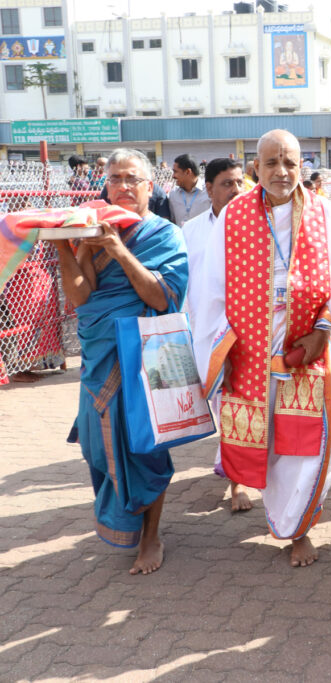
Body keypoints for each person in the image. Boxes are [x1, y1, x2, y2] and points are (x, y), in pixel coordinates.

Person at [190, 130, 331, 568]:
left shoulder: (324, 212)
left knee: (309, 443)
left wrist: (323, 329)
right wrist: (221, 347)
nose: (281, 172)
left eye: (290, 163)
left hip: (306, 348)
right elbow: (212, 290)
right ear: (255, 167)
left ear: (302, 166)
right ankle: (279, 511)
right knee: (269, 442)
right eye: (272, 163)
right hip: (250, 351)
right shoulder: (235, 214)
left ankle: (297, 529)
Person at [53, 148, 187, 574]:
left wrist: (118, 248)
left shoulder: (164, 235)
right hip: (99, 355)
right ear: (104, 185)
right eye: (114, 179)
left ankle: (152, 536)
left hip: (145, 357)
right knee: (97, 446)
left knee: (144, 447)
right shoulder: (93, 230)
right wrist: (63, 245)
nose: (123, 186)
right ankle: (127, 523)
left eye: (132, 179)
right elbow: (81, 298)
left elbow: (161, 297)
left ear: (150, 186)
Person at [180, 158, 251, 511]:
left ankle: (240, 481)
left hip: (251, 337)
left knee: (240, 407)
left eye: (240, 182)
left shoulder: (257, 225)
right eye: (227, 183)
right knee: (225, 408)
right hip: (208, 336)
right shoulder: (190, 231)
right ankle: (237, 476)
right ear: (208, 189)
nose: (236, 190)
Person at [168, 154, 211, 227]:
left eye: (175, 172)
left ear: (188, 172)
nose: (173, 176)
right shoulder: (173, 194)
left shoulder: (209, 191)